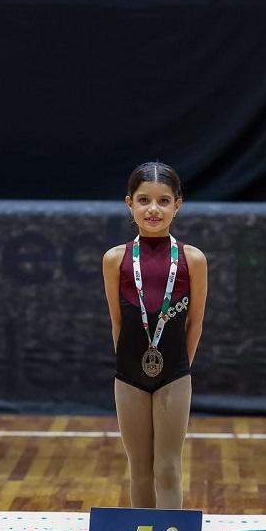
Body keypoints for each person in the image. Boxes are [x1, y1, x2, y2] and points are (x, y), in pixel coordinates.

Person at [102, 162, 207, 509]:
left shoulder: (193, 260)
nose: (153, 209)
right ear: (129, 203)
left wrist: (178, 369)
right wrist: (132, 367)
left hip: (174, 375)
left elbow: (195, 324)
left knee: (168, 469)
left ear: (178, 205)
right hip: (129, 376)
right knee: (140, 471)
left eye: (163, 201)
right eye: (144, 200)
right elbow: (118, 323)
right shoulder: (115, 259)